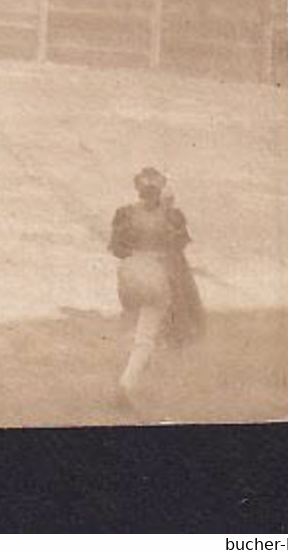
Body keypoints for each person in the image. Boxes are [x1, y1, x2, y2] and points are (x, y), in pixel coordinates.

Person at [108, 167, 205, 411]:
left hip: (130, 274)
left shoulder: (126, 213)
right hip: (157, 275)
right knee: (147, 332)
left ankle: (136, 373)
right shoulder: (172, 216)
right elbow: (178, 247)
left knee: (137, 321)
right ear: (160, 190)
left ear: (138, 190)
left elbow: (118, 249)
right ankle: (127, 384)